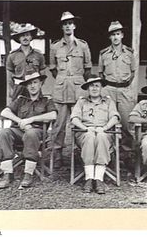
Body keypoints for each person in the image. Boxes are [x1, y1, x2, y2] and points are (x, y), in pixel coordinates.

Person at [0, 71, 57, 189]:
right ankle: (7, 173)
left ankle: (28, 173)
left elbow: (53, 115)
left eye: (35, 82)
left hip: (37, 133)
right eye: (29, 84)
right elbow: (4, 112)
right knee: (3, 132)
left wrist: (31, 120)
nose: (32, 86)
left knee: (31, 133)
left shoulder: (46, 100)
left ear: (40, 84)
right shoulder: (21, 100)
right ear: (26, 86)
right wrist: (20, 121)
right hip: (19, 131)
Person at [49, 11, 92, 168]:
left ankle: (79, 152)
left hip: (78, 88)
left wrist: (76, 80)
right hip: (61, 88)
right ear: (62, 27)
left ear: (74, 25)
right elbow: (53, 69)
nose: (68, 26)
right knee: (59, 124)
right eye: (65, 24)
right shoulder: (54, 47)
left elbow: (87, 68)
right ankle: (57, 153)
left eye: (70, 23)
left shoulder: (83, 45)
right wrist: (64, 79)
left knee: (79, 122)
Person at [70, 75, 120, 194]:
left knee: (101, 137)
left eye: (97, 85)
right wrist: (86, 128)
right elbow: (74, 119)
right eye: (91, 86)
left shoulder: (108, 101)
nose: (94, 88)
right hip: (85, 133)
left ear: (101, 87)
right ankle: (89, 178)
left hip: (104, 132)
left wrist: (105, 128)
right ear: (87, 88)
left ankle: (98, 178)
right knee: (90, 137)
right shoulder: (81, 102)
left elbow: (115, 117)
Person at [98, 21, 136, 153]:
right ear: (109, 37)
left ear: (122, 35)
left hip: (125, 90)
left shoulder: (129, 53)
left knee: (126, 124)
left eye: (118, 34)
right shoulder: (104, 54)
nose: (115, 37)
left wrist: (123, 85)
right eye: (113, 34)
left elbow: (132, 73)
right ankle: (110, 153)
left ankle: (127, 155)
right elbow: (101, 73)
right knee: (108, 122)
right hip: (109, 89)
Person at [6, 24, 46, 101]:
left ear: (31, 37)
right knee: (18, 110)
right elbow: (9, 77)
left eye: (27, 35)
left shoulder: (39, 55)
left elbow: (43, 74)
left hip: (34, 87)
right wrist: (13, 89)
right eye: (22, 36)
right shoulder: (12, 55)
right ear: (19, 38)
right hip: (19, 87)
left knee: (36, 109)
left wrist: (37, 86)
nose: (25, 38)